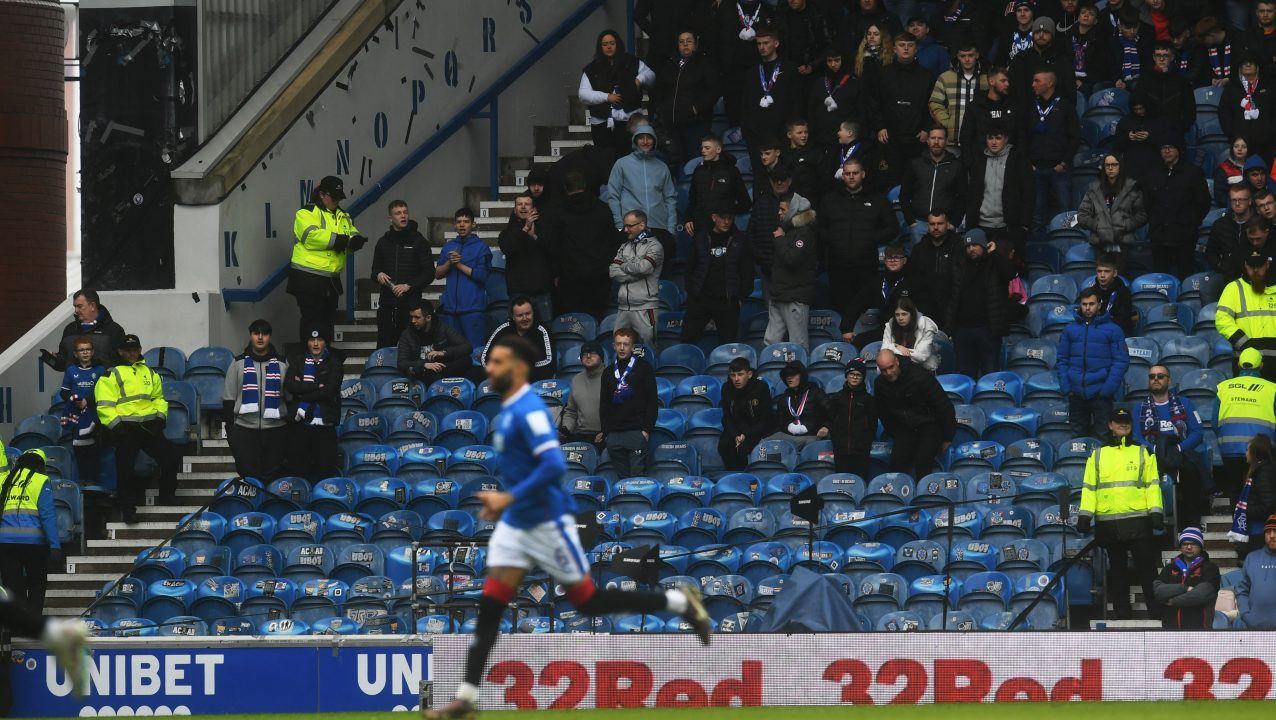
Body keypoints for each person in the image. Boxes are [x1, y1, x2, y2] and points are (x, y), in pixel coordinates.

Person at [425, 335, 710, 719]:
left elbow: (554, 466)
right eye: (488, 361)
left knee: (586, 602)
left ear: (520, 368)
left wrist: (508, 498)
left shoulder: (530, 411)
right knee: (491, 606)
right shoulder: (507, 411)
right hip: (516, 525)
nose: (489, 368)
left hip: (546, 523)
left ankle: (678, 602)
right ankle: (467, 698)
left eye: (498, 361)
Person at [1076, 407, 1163, 620]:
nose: (1123, 425)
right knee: (1117, 573)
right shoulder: (1097, 456)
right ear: (1110, 425)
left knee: (1148, 571)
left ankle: (1158, 614)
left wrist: (1156, 512)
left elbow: (1153, 485)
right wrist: (1085, 516)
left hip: (1139, 521)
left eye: (1126, 422)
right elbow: (1089, 488)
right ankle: (1122, 615)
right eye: (1118, 421)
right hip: (1109, 524)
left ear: (1131, 425)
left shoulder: (1144, 452)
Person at [94, 334, 178, 523]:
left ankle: (167, 497)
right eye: (128, 350)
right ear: (120, 351)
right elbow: (104, 405)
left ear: (140, 350)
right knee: (125, 471)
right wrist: (117, 427)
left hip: (149, 427)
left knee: (171, 457)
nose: (132, 353)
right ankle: (127, 509)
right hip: (125, 429)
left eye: (135, 350)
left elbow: (159, 399)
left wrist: (160, 419)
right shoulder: (111, 374)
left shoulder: (149, 372)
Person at [289, 175, 367, 343]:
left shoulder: (343, 215)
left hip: (330, 279)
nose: (337, 200)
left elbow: (351, 232)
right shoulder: (307, 212)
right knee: (312, 325)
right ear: (322, 194)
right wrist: (344, 240)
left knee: (327, 325)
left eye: (339, 197)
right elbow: (310, 236)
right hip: (308, 277)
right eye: (334, 197)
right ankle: (309, 363)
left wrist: (356, 239)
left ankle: (324, 363)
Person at [817, 157, 898, 313]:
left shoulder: (877, 200)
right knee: (840, 312)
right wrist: (833, 240)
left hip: (866, 267)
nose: (851, 177)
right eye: (847, 174)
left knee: (865, 312)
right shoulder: (829, 200)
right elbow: (819, 228)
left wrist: (871, 239)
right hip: (837, 267)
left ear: (863, 174)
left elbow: (892, 228)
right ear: (843, 175)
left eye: (855, 173)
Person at [1133, 364, 1207, 530]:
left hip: (1180, 452)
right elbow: (1136, 437)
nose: (1156, 379)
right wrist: (1154, 450)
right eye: (1152, 376)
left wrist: (1178, 449)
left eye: (1160, 376)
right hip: (1152, 455)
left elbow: (1197, 433)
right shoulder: (1139, 408)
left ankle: (1193, 522)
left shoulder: (1185, 403)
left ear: (1169, 380)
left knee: (1191, 470)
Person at [1057, 288, 1129, 439]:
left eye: (1091, 304)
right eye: (1084, 304)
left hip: (1101, 394)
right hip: (1075, 393)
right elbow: (1062, 360)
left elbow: (1121, 361)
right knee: (1077, 441)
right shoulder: (1069, 330)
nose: (1088, 308)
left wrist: (1107, 390)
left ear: (1100, 304)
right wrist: (1067, 388)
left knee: (1104, 439)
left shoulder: (1113, 330)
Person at [545, 171, 617, 320]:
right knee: (597, 321)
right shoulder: (603, 209)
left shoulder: (558, 212)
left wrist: (556, 272)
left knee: (572, 323)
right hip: (600, 276)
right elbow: (613, 241)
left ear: (566, 188)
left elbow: (554, 246)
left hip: (570, 278)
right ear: (584, 186)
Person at [222, 319, 288, 482]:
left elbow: (290, 397)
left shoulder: (282, 364)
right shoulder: (237, 363)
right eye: (256, 333)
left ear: (269, 336)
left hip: (276, 430)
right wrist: (232, 431)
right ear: (250, 335)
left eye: (264, 334)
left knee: (273, 478)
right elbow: (229, 398)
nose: (260, 337)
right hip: (244, 430)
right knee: (249, 479)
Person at [873, 348, 956, 479]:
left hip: (929, 426)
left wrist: (947, 437)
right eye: (884, 370)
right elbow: (883, 413)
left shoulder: (920, 376)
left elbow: (943, 406)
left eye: (891, 367)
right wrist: (895, 434)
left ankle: (924, 499)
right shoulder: (880, 384)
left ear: (897, 361)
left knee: (923, 465)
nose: (888, 373)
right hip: (904, 429)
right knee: (896, 465)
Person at [945, 229, 1016, 379]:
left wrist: (995, 253)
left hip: (988, 329)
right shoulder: (959, 265)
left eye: (975, 245)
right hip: (962, 329)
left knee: (990, 375)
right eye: (968, 246)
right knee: (964, 375)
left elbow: (1010, 274)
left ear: (984, 245)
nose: (971, 249)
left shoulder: (994, 262)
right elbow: (951, 296)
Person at [869, 32, 937, 187]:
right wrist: (879, 127)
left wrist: (927, 129)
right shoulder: (883, 74)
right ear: (894, 49)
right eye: (901, 45)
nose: (906, 49)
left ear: (916, 49)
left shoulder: (927, 76)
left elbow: (933, 105)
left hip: (917, 139)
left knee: (917, 182)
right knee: (891, 182)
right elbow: (874, 102)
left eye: (910, 45)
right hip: (890, 138)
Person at [0, 449, 61, 614]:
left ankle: (16, 625)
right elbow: (48, 516)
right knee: (36, 584)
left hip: (6, 544)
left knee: (12, 587)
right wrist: (55, 545)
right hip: (34, 544)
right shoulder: (41, 480)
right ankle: (32, 623)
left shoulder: (5, 479)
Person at [1141, 134, 1211, 278]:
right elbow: (1147, 203)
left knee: (1185, 275)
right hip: (1159, 236)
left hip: (1184, 236)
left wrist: (1190, 223)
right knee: (1160, 279)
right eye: (1163, 148)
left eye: (1170, 147)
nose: (1166, 151)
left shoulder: (1193, 173)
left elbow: (1203, 203)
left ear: (1179, 150)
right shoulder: (1152, 174)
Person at [682, 206, 754, 345]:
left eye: (730, 218)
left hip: (727, 302)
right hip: (701, 300)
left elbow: (747, 272)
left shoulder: (740, 240)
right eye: (723, 218)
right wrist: (693, 292)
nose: (726, 222)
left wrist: (739, 297)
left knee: (728, 345)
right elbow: (690, 268)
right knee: (687, 339)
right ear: (714, 217)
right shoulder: (701, 238)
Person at [579, 30, 654, 159]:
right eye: (605, 44)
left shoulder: (632, 62)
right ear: (600, 47)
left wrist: (639, 79)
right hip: (602, 126)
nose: (609, 47)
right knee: (605, 161)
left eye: (612, 43)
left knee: (631, 158)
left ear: (618, 44)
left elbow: (651, 75)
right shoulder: (592, 69)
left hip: (630, 123)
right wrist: (607, 97)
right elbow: (583, 94)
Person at [1214, 348, 1276, 505]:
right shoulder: (1272, 388)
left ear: (1239, 365)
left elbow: (1215, 422)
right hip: (1262, 451)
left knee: (1235, 491)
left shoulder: (1223, 387)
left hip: (1230, 449)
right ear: (1261, 366)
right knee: (1261, 492)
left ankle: (1237, 524)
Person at [1023, 69, 1079, 241]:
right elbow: (1023, 136)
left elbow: (1075, 137)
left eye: (1037, 81)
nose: (1033, 84)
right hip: (1036, 168)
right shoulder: (1031, 106)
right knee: (1037, 214)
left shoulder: (1065, 106)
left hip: (1059, 169)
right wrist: (1028, 162)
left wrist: (1064, 162)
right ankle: (1039, 252)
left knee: (1066, 213)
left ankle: (1066, 247)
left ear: (1049, 83)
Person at [370, 199, 433, 350]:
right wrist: (378, 274)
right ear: (390, 218)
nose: (403, 216)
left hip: (410, 307)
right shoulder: (382, 242)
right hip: (387, 306)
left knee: (409, 349)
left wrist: (409, 286)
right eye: (398, 213)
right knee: (384, 349)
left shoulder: (419, 241)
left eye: (405, 212)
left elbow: (429, 272)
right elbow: (374, 271)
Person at [284, 325, 342, 484]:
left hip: (324, 424)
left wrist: (303, 391)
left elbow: (329, 391)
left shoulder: (334, 362)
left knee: (324, 472)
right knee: (299, 471)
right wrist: (317, 386)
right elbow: (290, 385)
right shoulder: (298, 360)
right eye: (312, 340)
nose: (316, 344)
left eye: (319, 340)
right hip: (300, 424)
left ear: (325, 342)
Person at [606, 123, 678, 251]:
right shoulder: (622, 164)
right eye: (641, 138)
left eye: (649, 138)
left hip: (658, 226)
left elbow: (670, 199)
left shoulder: (662, 167)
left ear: (654, 141)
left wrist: (671, 228)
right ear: (635, 141)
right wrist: (619, 225)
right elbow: (613, 195)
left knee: (659, 267)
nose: (645, 141)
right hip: (631, 227)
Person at [964, 125, 1035, 254]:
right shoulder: (979, 162)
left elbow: (1028, 194)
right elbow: (972, 196)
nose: (994, 142)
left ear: (1006, 139)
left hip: (1009, 227)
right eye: (990, 138)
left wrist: (1024, 225)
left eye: (998, 138)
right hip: (982, 226)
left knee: (1008, 269)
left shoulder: (1019, 161)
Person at [740, 26, 803, 170]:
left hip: (782, 135)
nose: (762, 47)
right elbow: (745, 104)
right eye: (759, 44)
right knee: (760, 178)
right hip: (757, 136)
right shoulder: (752, 72)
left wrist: (789, 132)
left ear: (776, 44)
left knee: (783, 175)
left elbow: (796, 102)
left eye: (766, 43)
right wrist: (748, 131)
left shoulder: (789, 69)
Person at [600, 328, 658, 479]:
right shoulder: (608, 372)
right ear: (613, 346)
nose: (621, 348)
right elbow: (604, 404)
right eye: (618, 344)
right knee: (622, 481)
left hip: (636, 432)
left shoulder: (644, 368)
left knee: (637, 481)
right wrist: (607, 433)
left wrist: (646, 430)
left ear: (633, 347)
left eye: (626, 344)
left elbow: (652, 401)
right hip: (614, 435)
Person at [655, 31, 718, 169]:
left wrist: (697, 108)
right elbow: (659, 88)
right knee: (676, 162)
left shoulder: (704, 63)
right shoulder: (670, 64)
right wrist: (663, 108)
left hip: (695, 124)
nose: (685, 44)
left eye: (689, 41)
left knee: (695, 162)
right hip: (673, 123)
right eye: (681, 41)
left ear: (695, 45)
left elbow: (714, 90)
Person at [840, 243, 924, 344]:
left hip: (908, 332)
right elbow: (857, 302)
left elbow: (923, 309)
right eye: (889, 258)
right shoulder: (878, 281)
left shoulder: (914, 281)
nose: (892, 260)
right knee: (858, 341)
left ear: (904, 260)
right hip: (885, 330)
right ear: (884, 261)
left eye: (897, 257)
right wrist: (846, 328)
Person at [435, 207, 492, 349]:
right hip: (450, 311)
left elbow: (482, 276)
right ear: (454, 225)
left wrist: (458, 264)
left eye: (466, 221)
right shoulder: (448, 246)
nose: (462, 224)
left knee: (475, 352)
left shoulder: (482, 247)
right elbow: (437, 274)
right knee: (450, 353)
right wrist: (449, 262)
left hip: (472, 310)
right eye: (459, 221)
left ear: (473, 224)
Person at [767, 194, 819, 347]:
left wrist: (779, 239)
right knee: (771, 343)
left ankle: (799, 371)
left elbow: (792, 259)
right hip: (779, 294)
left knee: (798, 344)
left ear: (793, 209)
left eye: (782, 209)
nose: (779, 212)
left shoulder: (804, 233)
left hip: (795, 297)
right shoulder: (787, 230)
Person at [1216, 253, 1276, 379]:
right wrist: (1245, 344)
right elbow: (1222, 320)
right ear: (1245, 265)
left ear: (1267, 264)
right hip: (1246, 361)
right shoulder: (1233, 288)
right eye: (1251, 266)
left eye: (1259, 266)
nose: (1255, 270)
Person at [610, 209, 665, 345]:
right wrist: (635, 272)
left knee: (649, 348)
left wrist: (624, 266)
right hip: (623, 307)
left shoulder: (654, 246)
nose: (625, 230)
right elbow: (613, 271)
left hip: (645, 306)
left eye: (629, 226)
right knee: (619, 348)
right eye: (625, 226)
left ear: (641, 225)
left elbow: (644, 268)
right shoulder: (624, 246)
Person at [498, 194, 555, 324]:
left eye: (527, 204)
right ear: (514, 210)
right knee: (517, 334)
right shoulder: (507, 233)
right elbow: (508, 248)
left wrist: (534, 236)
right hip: (518, 292)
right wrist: (525, 229)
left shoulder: (545, 230)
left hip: (541, 292)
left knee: (545, 329)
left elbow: (552, 251)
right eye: (519, 204)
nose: (523, 207)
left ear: (534, 209)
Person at [1076, 153, 1148, 255]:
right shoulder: (1093, 189)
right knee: (1103, 271)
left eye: (1114, 165)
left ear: (1120, 167)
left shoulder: (1132, 189)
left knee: (1119, 271)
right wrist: (1098, 226)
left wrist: (1125, 225)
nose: (1110, 168)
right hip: (1099, 242)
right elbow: (1082, 216)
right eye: (1107, 165)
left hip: (1123, 242)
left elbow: (1142, 215)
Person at [39, 289, 126, 371]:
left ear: (92, 306)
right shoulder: (70, 329)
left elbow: (123, 364)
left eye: (79, 306)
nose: (76, 310)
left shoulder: (114, 330)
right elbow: (63, 364)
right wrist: (53, 358)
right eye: (75, 306)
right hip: (74, 386)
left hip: (103, 386)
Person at [1152, 527, 1221, 630]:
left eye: (1193, 544)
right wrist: (1184, 589)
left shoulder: (1210, 568)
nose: (1189, 547)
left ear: (1200, 546)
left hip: (1200, 631)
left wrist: (1173, 601)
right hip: (1170, 631)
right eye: (1185, 544)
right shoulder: (1169, 567)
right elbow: (1158, 591)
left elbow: (1201, 595)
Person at [59, 337, 106, 484]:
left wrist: (88, 401)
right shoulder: (71, 371)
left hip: (95, 415)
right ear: (75, 354)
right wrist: (75, 400)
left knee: (94, 450)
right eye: (81, 350)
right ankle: (82, 480)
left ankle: (92, 481)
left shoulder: (100, 370)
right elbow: (64, 392)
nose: (85, 352)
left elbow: (104, 392)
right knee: (79, 449)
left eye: (88, 349)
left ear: (92, 352)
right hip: (77, 415)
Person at [684, 134, 752, 236]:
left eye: (707, 148)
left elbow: (745, 202)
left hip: (724, 228)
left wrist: (727, 212)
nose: (703, 151)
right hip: (701, 227)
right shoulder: (698, 171)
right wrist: (688, 219)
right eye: (702, 148)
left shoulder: (731, 171)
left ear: (718, 149)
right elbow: (692, 200)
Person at [396, 300, 475, 384]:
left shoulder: (442, 328)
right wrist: (424, 365)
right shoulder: (407, 334)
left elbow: (467, 347)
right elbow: (402, 363)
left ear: (428, 318)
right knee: (421, 373)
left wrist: (443, 352)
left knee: (467, 360)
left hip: (442, 367)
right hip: (422, 371)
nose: (413, 321)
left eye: (417, 317)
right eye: (411, 317)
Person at [899, 125, 964, 225]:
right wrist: (910, 220)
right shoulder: (915, 164)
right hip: (919, 223)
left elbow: (963, 197)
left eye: (940, 138)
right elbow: (904, 194)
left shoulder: (956, 166)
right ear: (928, 140)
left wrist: (954, 223)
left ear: (946, 141)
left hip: (944, 225)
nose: (936, 142)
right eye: (933, 138)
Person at [480, 297, 556, 383]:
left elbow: (549, 362)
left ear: (533, 313)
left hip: (534, 382)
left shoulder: (542, 331)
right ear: (513, 317)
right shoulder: (502, 330)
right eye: (520, 315)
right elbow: (485, 358)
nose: (525, 318)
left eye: (528, 314)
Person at [928, 40, 986, 151]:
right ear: (957, 56)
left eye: (970, 55)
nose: (967, 59)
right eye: (963, 56)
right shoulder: (945, 77)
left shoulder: (986, 79)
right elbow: (935, 103)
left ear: (977, 55)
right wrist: (946, 122)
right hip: (952, 141)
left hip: (979, 141)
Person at [719, 357, 775, 470]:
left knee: (743, 448)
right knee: (724, 445)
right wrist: (736, 435)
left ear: (749, 374)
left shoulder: (761, 387)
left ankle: (747, 478)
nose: (736, 379)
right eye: (733, 375)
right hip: (735, 429)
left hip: (757, 429)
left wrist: (746, 434)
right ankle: (733, 476)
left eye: (740, 374)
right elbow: (727, 417)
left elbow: (766, 419)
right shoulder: (726, 388)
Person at [807, 47, 865, 155]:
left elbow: (861, 110)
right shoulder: (820, 82)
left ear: (843, 60)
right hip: (822, 137)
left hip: (846, 137)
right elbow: (811, 109)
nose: (833, 64)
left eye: (837, 60)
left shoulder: (854, 82)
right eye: (829, 61)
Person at [910, 210, 963, 323]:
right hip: (925, 306)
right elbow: (913, 280)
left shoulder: (959, 246)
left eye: (940, 223)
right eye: (932, 224)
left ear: (947, 224)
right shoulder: (919, 249)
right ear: (927, 225)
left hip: (953, 305)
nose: (936, 227)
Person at [827, 358, 876, 477]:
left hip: (861, 449)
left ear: (863, 377)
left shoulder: (869, 400)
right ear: (846, 375)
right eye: (852, 374)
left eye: (858, 375)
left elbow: (872, 424)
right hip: (840, 448)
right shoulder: (837, 398)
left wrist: (866, 441)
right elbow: (831, 419)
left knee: (860, 480)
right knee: (841, 479)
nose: (854, 377)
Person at [1009, 17, 1077, 102]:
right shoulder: (1020, 59)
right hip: (1025, 111)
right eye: (1037, 32)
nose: (1041, 35)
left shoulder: (1061, 60)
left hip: (1055, 111)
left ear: (1052, 35)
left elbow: (1069, 93)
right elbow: (1011, 91)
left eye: (1046, 32)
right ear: (1032, 34)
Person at [766, 361, 831, 449]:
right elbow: (780, 421)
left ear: (802, 376)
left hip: (811, 435)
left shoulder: (816, 392)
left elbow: (833, 412)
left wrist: (826, 427)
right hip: (788, 435)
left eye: (793, 375)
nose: (789, 378)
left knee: (812, 445)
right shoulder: (784, 397)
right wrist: (788, 427)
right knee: (764, 443)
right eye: (787, 376)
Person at [1220, 55, 1274, 161]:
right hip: (1240, 145)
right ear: (1239, 68)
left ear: (1257, 67)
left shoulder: (1269, 86)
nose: (1248, 65)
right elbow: (1224, 113)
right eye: (1244, 63)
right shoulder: (1231, 89)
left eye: (1251, 63)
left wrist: (1270, 132)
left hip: (1266, 144)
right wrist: (1233, 135)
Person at [1230, 435, 1276, 557]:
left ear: (1255, 453)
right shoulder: (1260, 471)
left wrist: (1245, 512)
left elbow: (1267, 505)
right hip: (1255, 530)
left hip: (1259, 531)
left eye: (1247, 450)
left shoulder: (1263, 473)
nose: (1245, 453)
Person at [1139, 42, 1196, 134]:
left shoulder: (1182, 82)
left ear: (1172, 57)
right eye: (1158, 55)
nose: (1161, 59)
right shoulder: (1144, 80)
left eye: (1165, 56)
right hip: (1150, 131)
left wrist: (1179, 128)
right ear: (1153, 57)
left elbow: (1190, 112)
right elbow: (1137, 105)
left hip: (1174, 131)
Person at [959, 66, 1017, 151]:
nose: (1007, 84)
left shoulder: (1013, 106)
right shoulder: (975, 106)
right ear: (991, 81)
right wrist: (971, 163)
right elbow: (966, 138)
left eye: (1008, 81)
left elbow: (1019, 136)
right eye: (1003, 81)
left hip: (1008, 161)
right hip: (981, 161)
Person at [1234, 513, 1276, 629]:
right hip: (1255, 627)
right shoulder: (1252, 558)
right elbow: (1242, 590)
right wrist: (1246, 615)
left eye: (1275, 531)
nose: (1272, 536)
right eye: (1268, 532)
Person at [559, 341, 605, 447]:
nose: (588, 356)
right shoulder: (576, 380)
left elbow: (618, 411)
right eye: (584, 354)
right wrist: (566, 429)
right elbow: (571, 411)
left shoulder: (611, 377)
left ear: (601, 357)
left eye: (593, 353)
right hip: (581, 435)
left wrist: (607, 431)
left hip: (605, 434)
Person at [1207, 183, 1256, 277]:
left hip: (1254, 275)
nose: (1237, 203)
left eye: (1241, 199)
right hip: (1227, 275)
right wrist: (1221, 266)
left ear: (1250, 201)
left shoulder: (1259, 223)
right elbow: (1211, 252)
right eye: (1234, 200)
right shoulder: (1220, 225)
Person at [882, 295, 941, 373]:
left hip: (921, 369)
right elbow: (883, 350)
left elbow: (921, 356)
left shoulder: (926, 325)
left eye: (904, 314)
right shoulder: (891, 324)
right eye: (897, 314)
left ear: (912, 314)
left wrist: (893, 349)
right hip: (897, 368)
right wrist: (897, 346)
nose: (900, 318)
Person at [1085, 252, 1138, 337]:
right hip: (1093, 333)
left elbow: (1123, 321)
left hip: (1116, 335)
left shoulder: (1124, 292)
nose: (1102, 275)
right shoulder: (1090, 292)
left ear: (1115, 273)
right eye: (1099, 271)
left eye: (1107, 271)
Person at [1071, 3, 1116, 94]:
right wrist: (1071, 79)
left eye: (1091, 14)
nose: (1086, 15)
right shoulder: (1069, 37)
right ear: (1078, 17)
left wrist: (1082, 81)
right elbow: (1064, 63)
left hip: (1089, 81)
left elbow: (1100, 70)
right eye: (1083, 13)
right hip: (1070, 78)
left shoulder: (1100, 41)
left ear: (1095, 21)